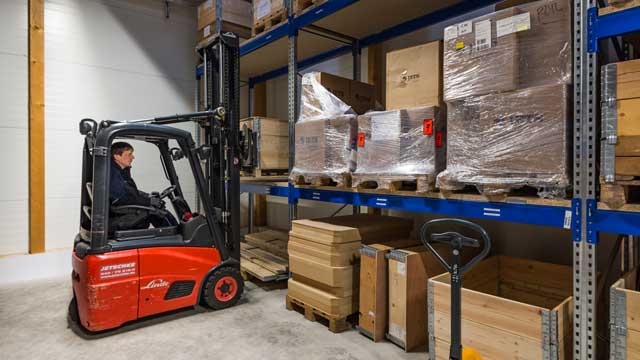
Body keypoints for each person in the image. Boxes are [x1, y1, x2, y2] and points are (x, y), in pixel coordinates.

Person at [109, 141, 177, 230]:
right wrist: (149, 202)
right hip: (123, 213)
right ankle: (175, 237)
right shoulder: (113, 174)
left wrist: (148, 197)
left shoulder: (121, 172)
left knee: (159, 212)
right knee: (161, 214)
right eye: (129, 154)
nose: (133, 157)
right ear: (117, 156)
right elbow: (123, 199)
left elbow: (132, 192)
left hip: (126, 210)